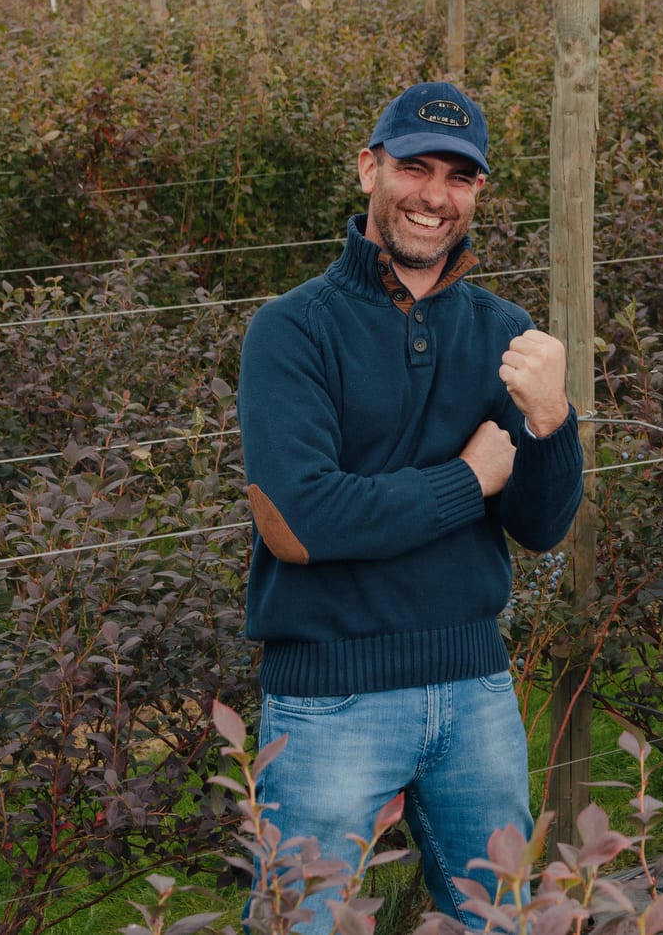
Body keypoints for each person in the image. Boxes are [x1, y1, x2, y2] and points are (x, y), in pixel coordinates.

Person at [236, 81, 583, 932]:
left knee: (500, 921)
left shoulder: (504, 329)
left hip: (475, 690)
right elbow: (300, 521)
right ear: (368, 170)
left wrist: (552, 421)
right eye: (413, 168)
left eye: (458, 176)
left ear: (478, 194)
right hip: (331, 702)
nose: (433, 196)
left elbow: (540, 525)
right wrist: (467, 481)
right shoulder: (293, 332)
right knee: (299, 923)